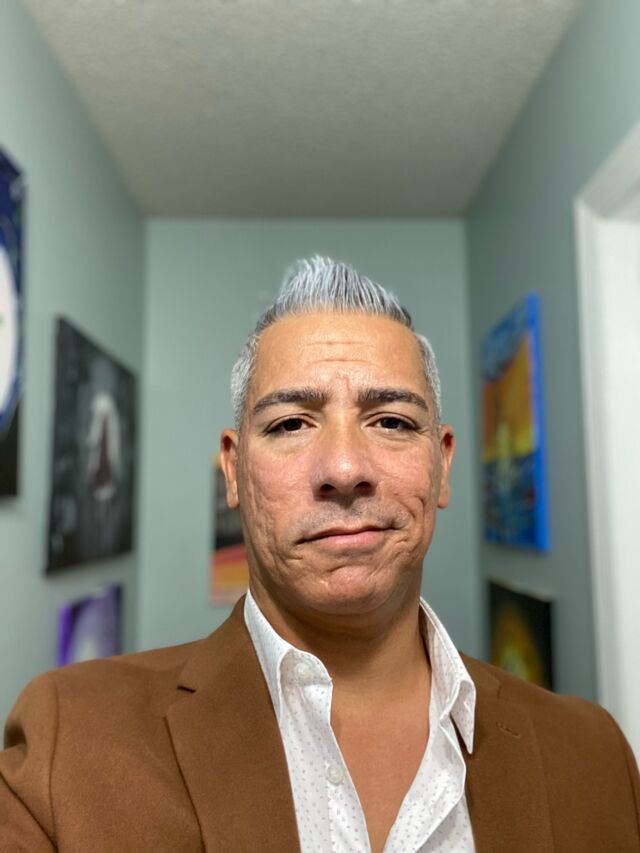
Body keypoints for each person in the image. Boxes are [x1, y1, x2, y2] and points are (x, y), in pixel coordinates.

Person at [1, 257, 639, 853]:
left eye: (391, 421)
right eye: (290, 424)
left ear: (442, 465)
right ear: (233, 472)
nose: (344, 468)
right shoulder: (69, 744)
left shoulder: (595, 756)